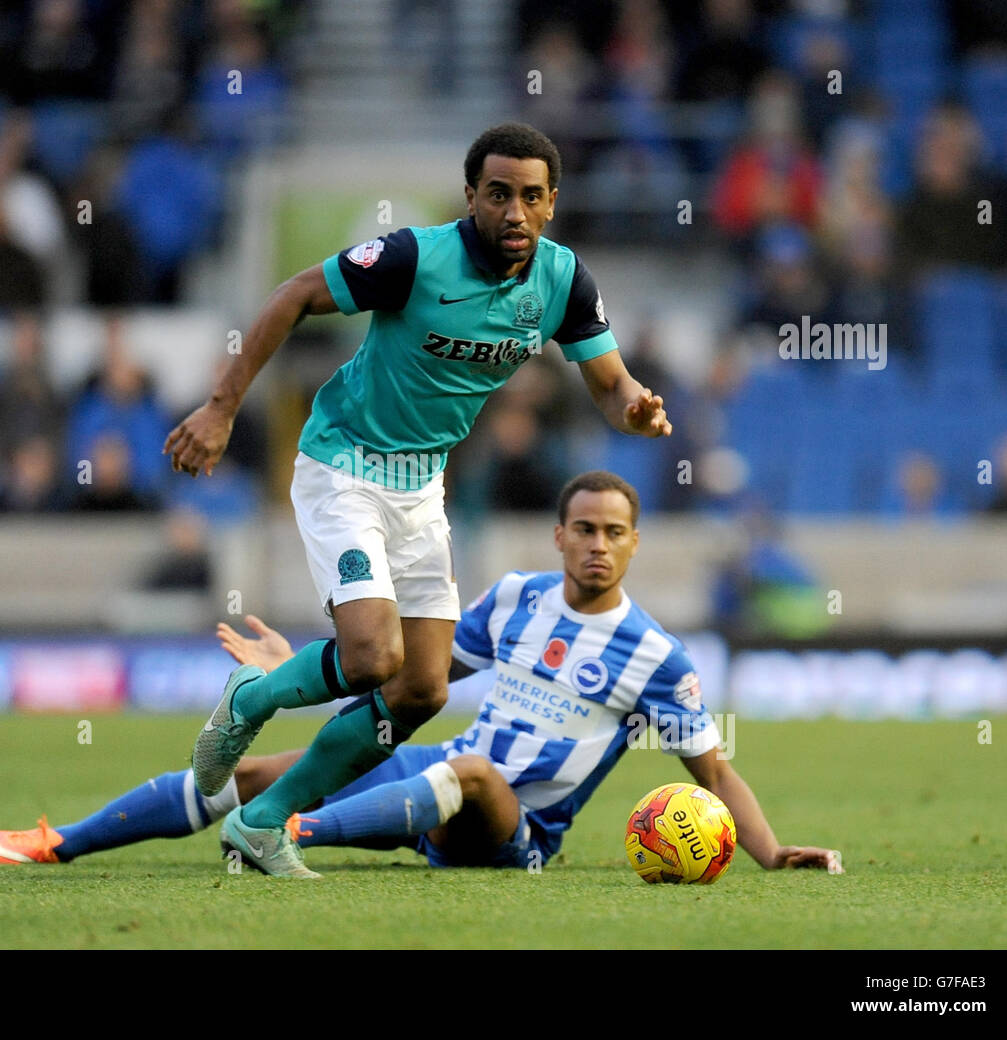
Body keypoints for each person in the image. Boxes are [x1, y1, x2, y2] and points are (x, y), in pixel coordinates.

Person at [162, 123, 672, 876]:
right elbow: (295, 294)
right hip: (343, 463)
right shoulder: (411, 258)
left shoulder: (563, 281)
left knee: (421, 688)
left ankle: (262, 823)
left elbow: (609, 381)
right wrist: (221, 408)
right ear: (473, 196)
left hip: (422, 483)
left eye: (532, 197)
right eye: (498, 194)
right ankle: (254, 699)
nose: (514, 212)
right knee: (371, 656)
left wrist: (633, 406)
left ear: (553, 203)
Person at [0, 472, 840, 877]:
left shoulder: (658, 658)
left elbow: (714, 771)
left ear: (636, 543)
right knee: (250, 774)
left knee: (470, 772)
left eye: (615, 532)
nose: (598, 544)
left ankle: (291, 838)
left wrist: (767, 852)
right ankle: (61, 843)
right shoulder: (515, 600)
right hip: (423, 771)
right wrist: (299, 670)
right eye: (584, 529)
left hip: (509, 829)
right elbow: (412, 676)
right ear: (559, 536)